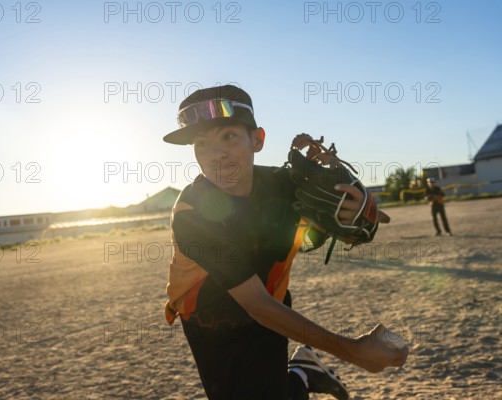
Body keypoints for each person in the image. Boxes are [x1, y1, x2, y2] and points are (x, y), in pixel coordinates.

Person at [163, 85, 408, 400]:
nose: (216, 153)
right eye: (201, 143)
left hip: (272, 299)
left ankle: (301, 373)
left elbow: (332, 230)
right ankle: (304, 374)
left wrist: (360, 211)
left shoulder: (288, 185)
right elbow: (255, 304)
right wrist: (353, 350)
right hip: (211, 321)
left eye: (228, 136)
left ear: (258, 140)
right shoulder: (193, 213)